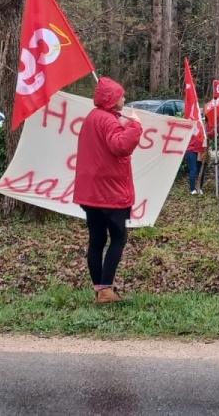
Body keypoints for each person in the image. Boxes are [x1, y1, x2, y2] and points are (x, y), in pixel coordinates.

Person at [74, 77, 143, 304]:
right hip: (110, 194)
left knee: (96, 240)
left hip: (91, 193)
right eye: (121, 96)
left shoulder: (92, 118)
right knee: (118, 238)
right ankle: (106, 290)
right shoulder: (109, 121)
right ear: (113, 100)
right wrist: (135, 126)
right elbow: (120, 146)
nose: (124, 99)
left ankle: (99, 288)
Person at [184, 124, 206, 195]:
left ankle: (199, 187)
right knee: (193, 169)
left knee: (201, 170)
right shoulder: (192, 125)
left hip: (200, 151)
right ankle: (192, 189)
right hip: (191, 150)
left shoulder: (203, 127)